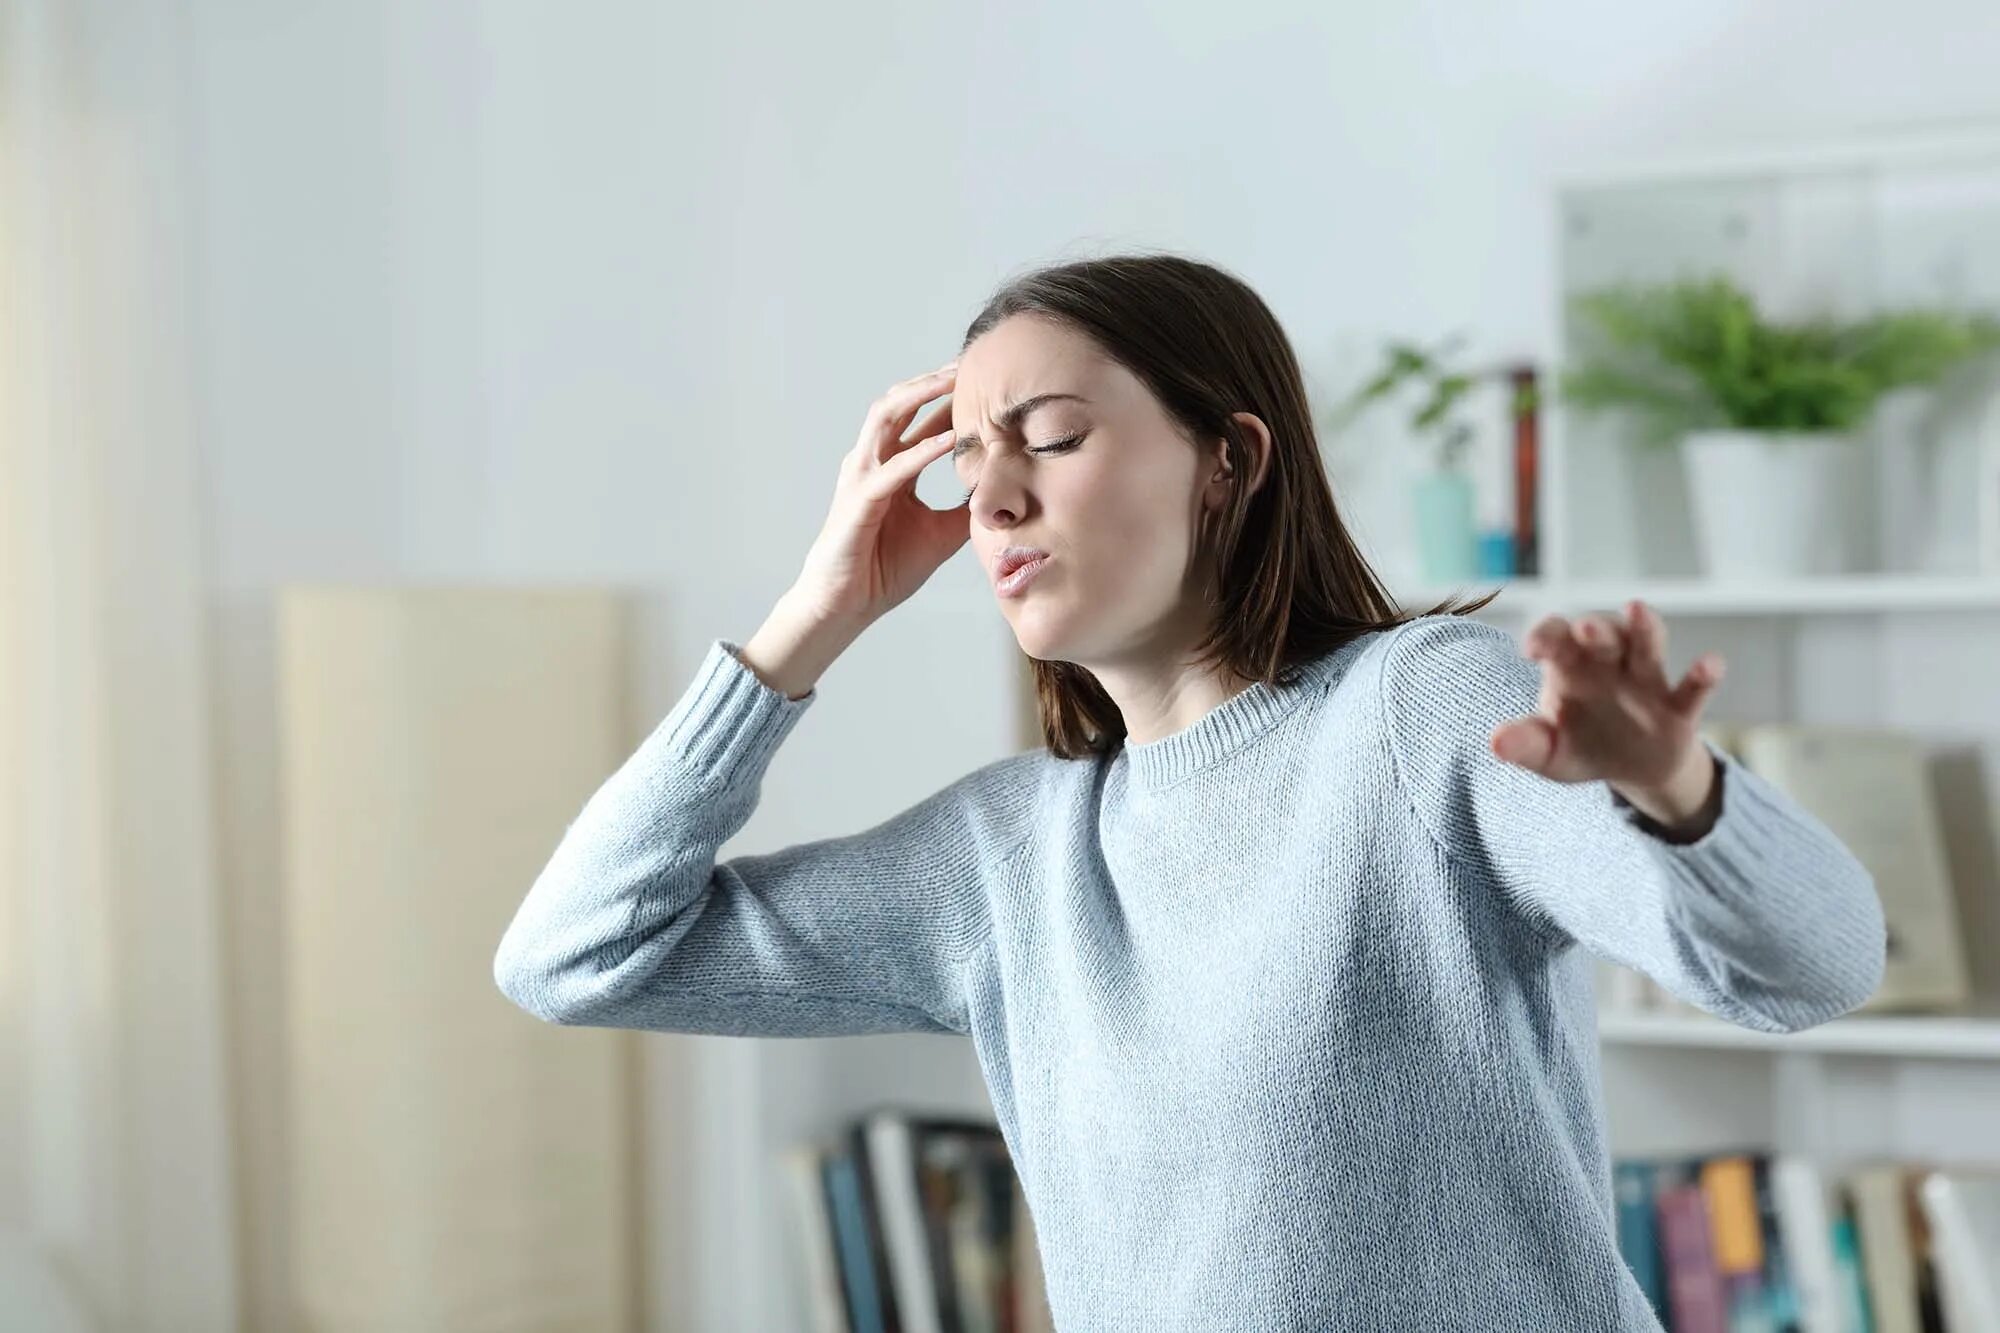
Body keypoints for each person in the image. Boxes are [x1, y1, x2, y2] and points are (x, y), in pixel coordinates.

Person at [493, 253, 1886, 1332]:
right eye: (968, 460)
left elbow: (1812, 967)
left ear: (1229, 458)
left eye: (1047, 435)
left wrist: (1675, 787)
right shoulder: (1006, 859)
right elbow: (576, 954)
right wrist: (815, 612)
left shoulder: (1417, 711)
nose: (991, 498)